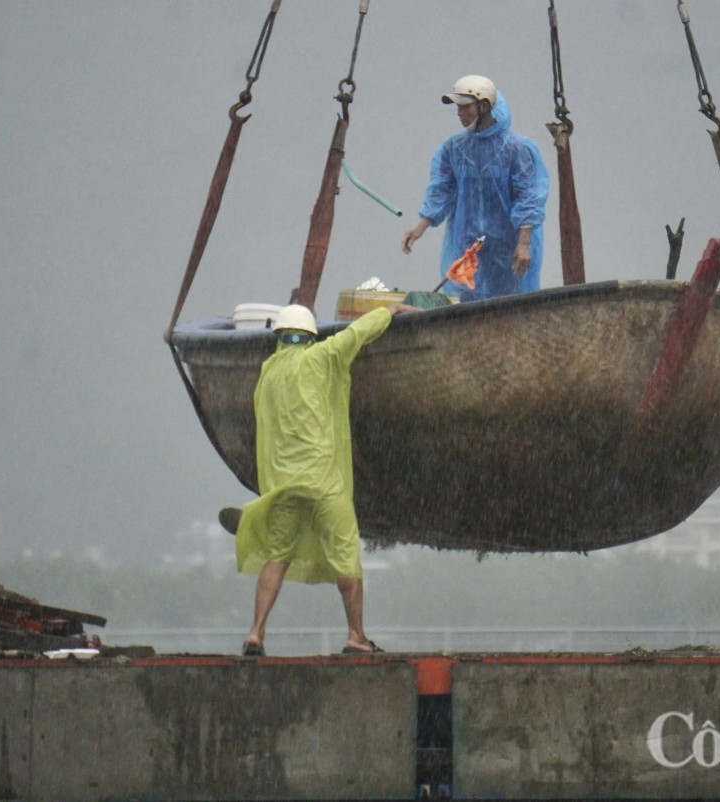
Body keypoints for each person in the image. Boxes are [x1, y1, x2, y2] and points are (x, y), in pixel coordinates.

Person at [221, 302, 408, 657]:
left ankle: (255, 634)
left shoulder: (268, 374)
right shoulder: (321, 357)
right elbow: (357, 334)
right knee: (345, 557)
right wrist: (389, 310)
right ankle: (356, 637)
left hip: (285, 486)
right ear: (311, 335)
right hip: (323, 481)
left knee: (277, 555)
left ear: (279, 336)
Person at [401, 74, 549, 302]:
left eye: (465, 107)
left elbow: (528, 197)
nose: (459, 113)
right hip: (470, 244)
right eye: (458, 107)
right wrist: (420, 227)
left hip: (508, 245)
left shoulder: (517, 149)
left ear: (483, 106)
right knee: (472, 304)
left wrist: (523, 243)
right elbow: (442, 189)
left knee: (512, 305)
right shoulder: (455, 148)